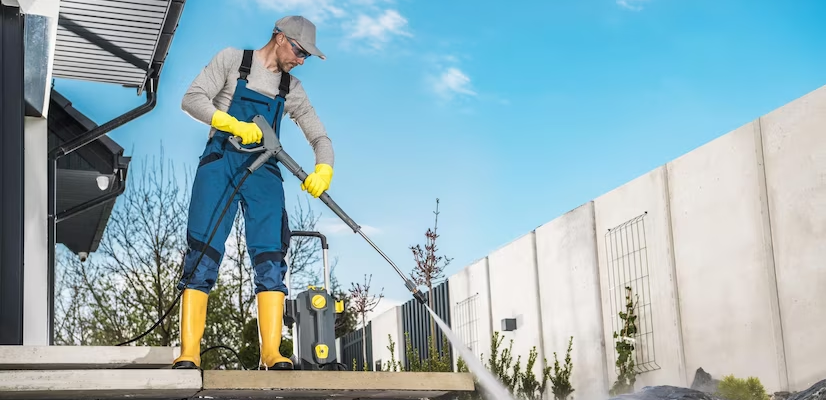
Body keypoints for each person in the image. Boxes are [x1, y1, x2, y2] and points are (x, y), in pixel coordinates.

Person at [172, 15, 334, 371]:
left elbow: (320, 137)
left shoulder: (291, 88)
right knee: (202, 253)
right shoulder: (233, 60)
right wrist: (230, 123)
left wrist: (324, 169)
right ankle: (189, 352)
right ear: (279, 37)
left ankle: (271, 353)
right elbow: (192, 99)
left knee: (271, 259)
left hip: (265, 172)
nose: (301, 60)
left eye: (306, 55)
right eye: (298, 50)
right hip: (221, 163)